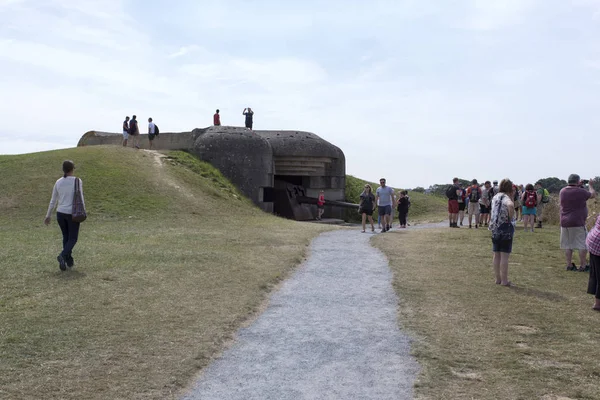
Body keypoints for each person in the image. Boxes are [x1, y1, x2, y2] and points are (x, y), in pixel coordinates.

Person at [44, 160, 85, 271]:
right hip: (72, 214)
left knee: (66, 237)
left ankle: (68, 259)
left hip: (60, 213)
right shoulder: (77, 181)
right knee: (73, 238)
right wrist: (83, 211)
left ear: (63, 170)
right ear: (72, 169)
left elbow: (53, 200)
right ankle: (62, 256)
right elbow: (80, 198)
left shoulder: (58, 182)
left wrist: (48, 215)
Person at [560, 174, 596, 271]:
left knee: (568, 245)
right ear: (577, 181)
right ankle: (583, 266)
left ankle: (569, 265)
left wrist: (578, 185)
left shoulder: (562, 191)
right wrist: (591, 185)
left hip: (564, 221)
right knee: (582, 244)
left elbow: (573, 192)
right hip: (577, 221)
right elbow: (593, 195)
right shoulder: (580, 191)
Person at [489, 179, 516, 286]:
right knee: (504, 256)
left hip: (495, 227)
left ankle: (498, 279)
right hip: (504, 227)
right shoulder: (506, 197)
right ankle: (505, 281)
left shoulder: (495, 196)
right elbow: (510, 205)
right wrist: (510, 218)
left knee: (496, 254)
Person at [586, 214, 600, 311]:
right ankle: (597, 304)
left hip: (593, 241)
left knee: (595, 273)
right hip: (597, 245)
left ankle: (597, 302)